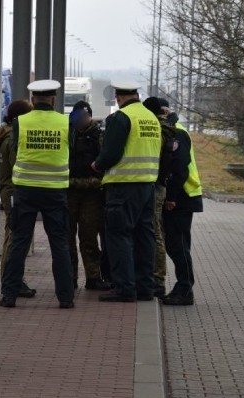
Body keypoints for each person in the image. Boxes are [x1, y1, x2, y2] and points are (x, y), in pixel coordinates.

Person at [0, 80, 75, 309]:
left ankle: (9, 296)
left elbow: (14, 148)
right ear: (54, 100)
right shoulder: (65, 123)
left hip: (26, 191)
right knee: (59, 245)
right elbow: (69, 149)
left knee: (19, 243)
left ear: (33, 101)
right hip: (55, 192)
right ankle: (65, 298)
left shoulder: (20, 122)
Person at [92, 82, 161, 302]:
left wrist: (97, 164)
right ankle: (145, 288)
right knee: (144, 238)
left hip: (123, 186)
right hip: (147, 185)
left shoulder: (120, 118)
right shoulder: (151, 118)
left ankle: (124, 288)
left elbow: (111, 153)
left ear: (118, 98)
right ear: (136, 95)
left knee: (118, 236)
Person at [0, 99, 36, 298]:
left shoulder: (6, 135)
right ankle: (12, 281)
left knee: (14, 235)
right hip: (15, 191)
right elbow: (20, 166)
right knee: (14, 238)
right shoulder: (12, 139)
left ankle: (14, 280)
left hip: (10, 190)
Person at [160, 110, 203, 306]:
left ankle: (185, 288)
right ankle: (184, 287)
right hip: (183, 196)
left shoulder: (176, 133)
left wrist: (171, 197)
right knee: (176, 245)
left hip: (183, 197)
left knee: (178, 245)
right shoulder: (175, 130)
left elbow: (180, 168)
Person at [67, 100, 110, 291]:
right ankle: (70, 277)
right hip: (70, 193)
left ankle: (93, 277)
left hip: (91, 194)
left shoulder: (99, 136)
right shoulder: (68, 134)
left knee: (89, 237)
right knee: (67, 238)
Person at [141, 97, 177, 298]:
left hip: (155, 186)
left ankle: (157, 280)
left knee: (154, 232)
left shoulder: (160, 130)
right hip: (157, 184)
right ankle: (155, 278)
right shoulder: (169, 129)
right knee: (153, 231)